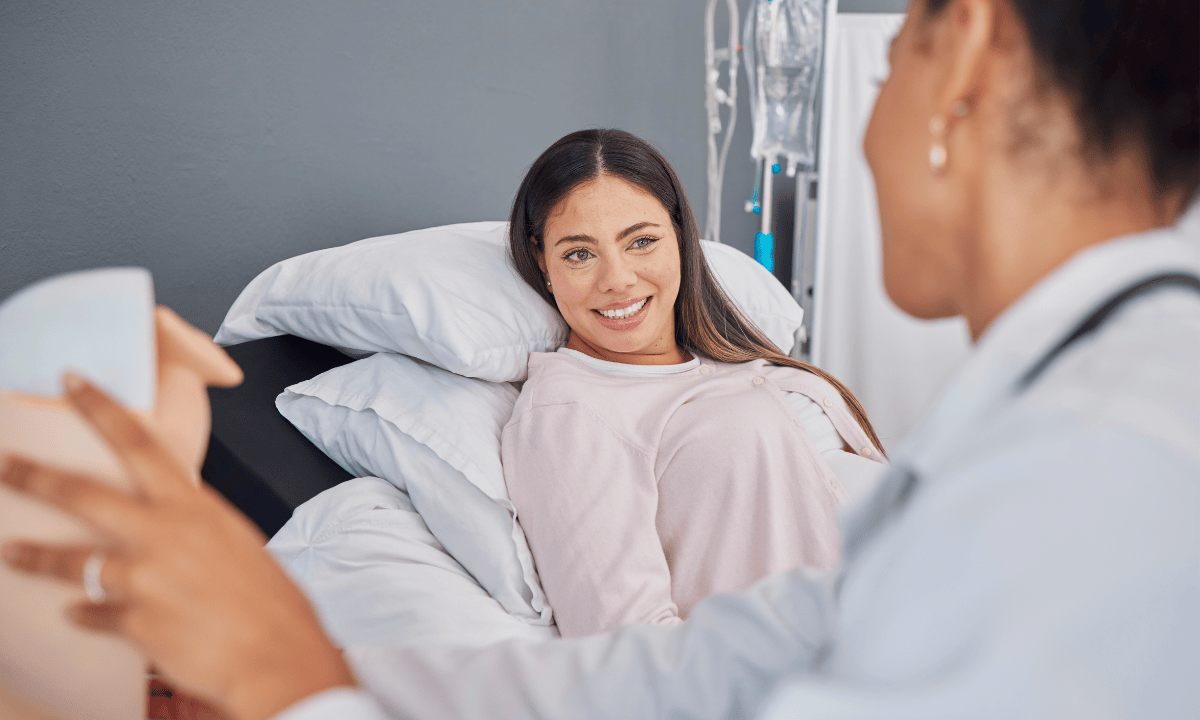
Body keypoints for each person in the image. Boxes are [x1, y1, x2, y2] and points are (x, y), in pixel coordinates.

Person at [1, 0, 1197, 717]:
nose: (619, 279)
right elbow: (687, 671)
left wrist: (303, 686)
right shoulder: (1064, 437)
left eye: (883, 70)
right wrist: (300, 666)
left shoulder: (1099, 474)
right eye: (579, 255)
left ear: (967, 59)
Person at [500, 129, 886, 638]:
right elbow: (628, 646)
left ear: (681, 238)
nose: (617, 279)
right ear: (543, 263)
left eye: (641, 241)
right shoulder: (570, 415)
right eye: (579, 254)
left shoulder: (728, 360)